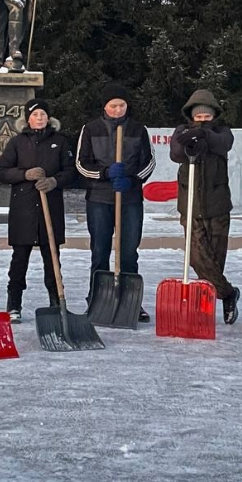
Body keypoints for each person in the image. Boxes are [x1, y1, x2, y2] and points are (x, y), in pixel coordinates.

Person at [75, 83, 156, 321]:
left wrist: (132, 180)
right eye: (113, 105)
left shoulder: (138, 129)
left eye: (122, 105)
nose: (118, 109)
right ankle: (97, 297)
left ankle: (131, 301)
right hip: (99, 199)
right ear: (105, 106)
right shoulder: (90, 129)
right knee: (100, 250)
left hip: (130, 199)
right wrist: (104, 173)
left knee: (129, 251)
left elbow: (149, 162)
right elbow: (81, 164)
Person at [0, 98, 76, 322]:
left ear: (49, 118)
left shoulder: (59, 141)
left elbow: (70, 171)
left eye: (43, 114)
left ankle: (56, 300)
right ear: (27, 118)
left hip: (51, 207)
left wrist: (54, 181)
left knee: (52, 259)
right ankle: (14, 304)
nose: (39, 118)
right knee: (20, 259)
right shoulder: (17, 142)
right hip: (24, 209)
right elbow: (0, 171)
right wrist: (24, 175)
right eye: (35, 114)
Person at [169, 89, 241, 324]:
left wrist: (204, 136)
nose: (202, 119)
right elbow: (176, 153)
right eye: (198, 116)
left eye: (207, 116)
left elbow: (224, 144)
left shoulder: (222, 132)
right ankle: (228, 293)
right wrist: (190, 139)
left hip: (217, 205)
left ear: (214, 115)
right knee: (197, 256)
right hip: (190, 204)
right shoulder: (182, 130)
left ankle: (207, 303)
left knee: (215, 258)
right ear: (191, 114)